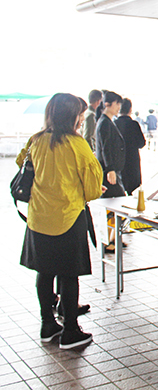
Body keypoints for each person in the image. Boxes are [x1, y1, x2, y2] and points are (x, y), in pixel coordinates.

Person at [18, 93, 103, 349]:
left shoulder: (37, 140)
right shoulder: (77, 145)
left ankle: (47, 325)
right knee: (68, 276)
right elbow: (92, 189)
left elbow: (21, 162)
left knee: (44, 273)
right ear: (73, 116)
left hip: (38, 218)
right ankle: (70, 332)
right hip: (68, 217)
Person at [95, 91, 126, 253]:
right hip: (109, 172)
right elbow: (106, 148)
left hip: (112, 170)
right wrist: (110, 169)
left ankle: (113, 238)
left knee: (114, 205)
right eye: (117, 104)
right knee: (114, 204)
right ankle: (108, 240)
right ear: (108, 104)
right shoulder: (104, 123)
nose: (119, 107)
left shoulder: (107, 121)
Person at [115, 98, 146, 195]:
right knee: (133, 190)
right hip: (132, 160)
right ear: (130, 109)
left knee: (119, 189)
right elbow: (142, 143)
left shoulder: (114, 124)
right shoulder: (134, 124)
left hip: (118, 160)